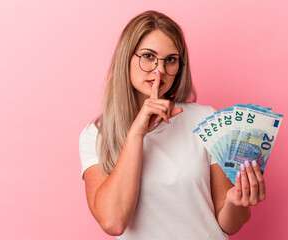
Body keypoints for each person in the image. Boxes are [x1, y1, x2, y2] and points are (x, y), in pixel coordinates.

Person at [79, 10, 266, 239]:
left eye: (171, 60)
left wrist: (237, 202)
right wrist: (137, 133)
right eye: (148, 56)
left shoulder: (206, 120)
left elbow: (228, 224)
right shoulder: (96, 135)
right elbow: (113, 222)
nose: (160, 70)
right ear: (126, 57)